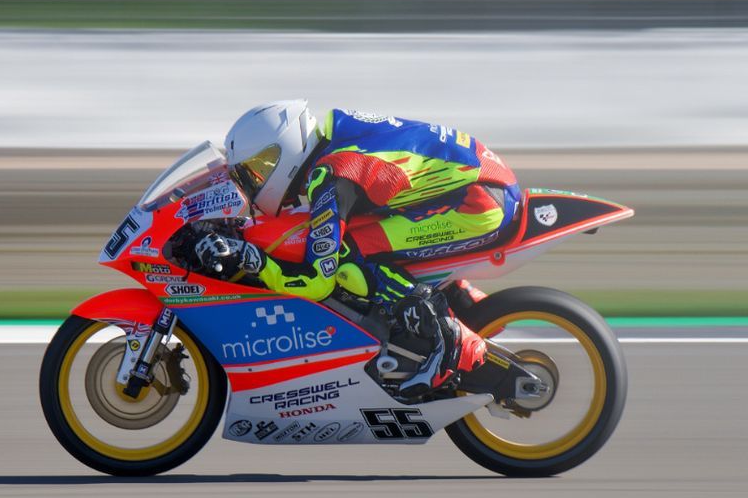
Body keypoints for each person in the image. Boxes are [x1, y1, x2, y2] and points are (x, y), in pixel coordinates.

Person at [191, 100, 521, 399]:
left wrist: (255, 260)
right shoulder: (334, 137)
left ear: (285, 150)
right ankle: (460, 298)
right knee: (360, 237)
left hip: (477, 202)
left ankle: (450, 342)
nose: (255, 182)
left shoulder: (333, 175)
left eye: (259, 169)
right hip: (479, 182)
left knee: (348, 260)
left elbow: (318, 282)